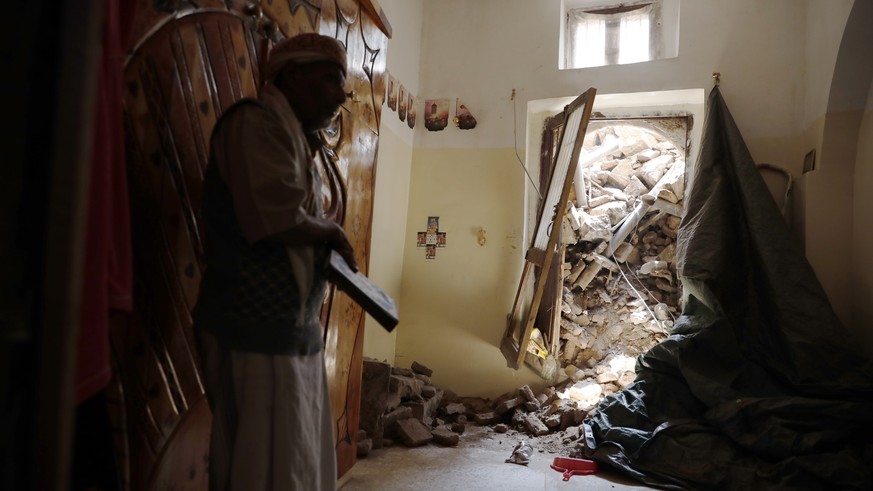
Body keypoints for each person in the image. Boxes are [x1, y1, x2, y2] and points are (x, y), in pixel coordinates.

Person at [192, 32, 358, 491]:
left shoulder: (296, 137)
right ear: (292, 76)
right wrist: (333, 233)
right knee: (259, 465)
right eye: (329, 80)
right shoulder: (256, 125)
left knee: (295, 458)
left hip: (289, 331)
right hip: (249, 328)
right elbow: (277, 217)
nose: (340, 95)